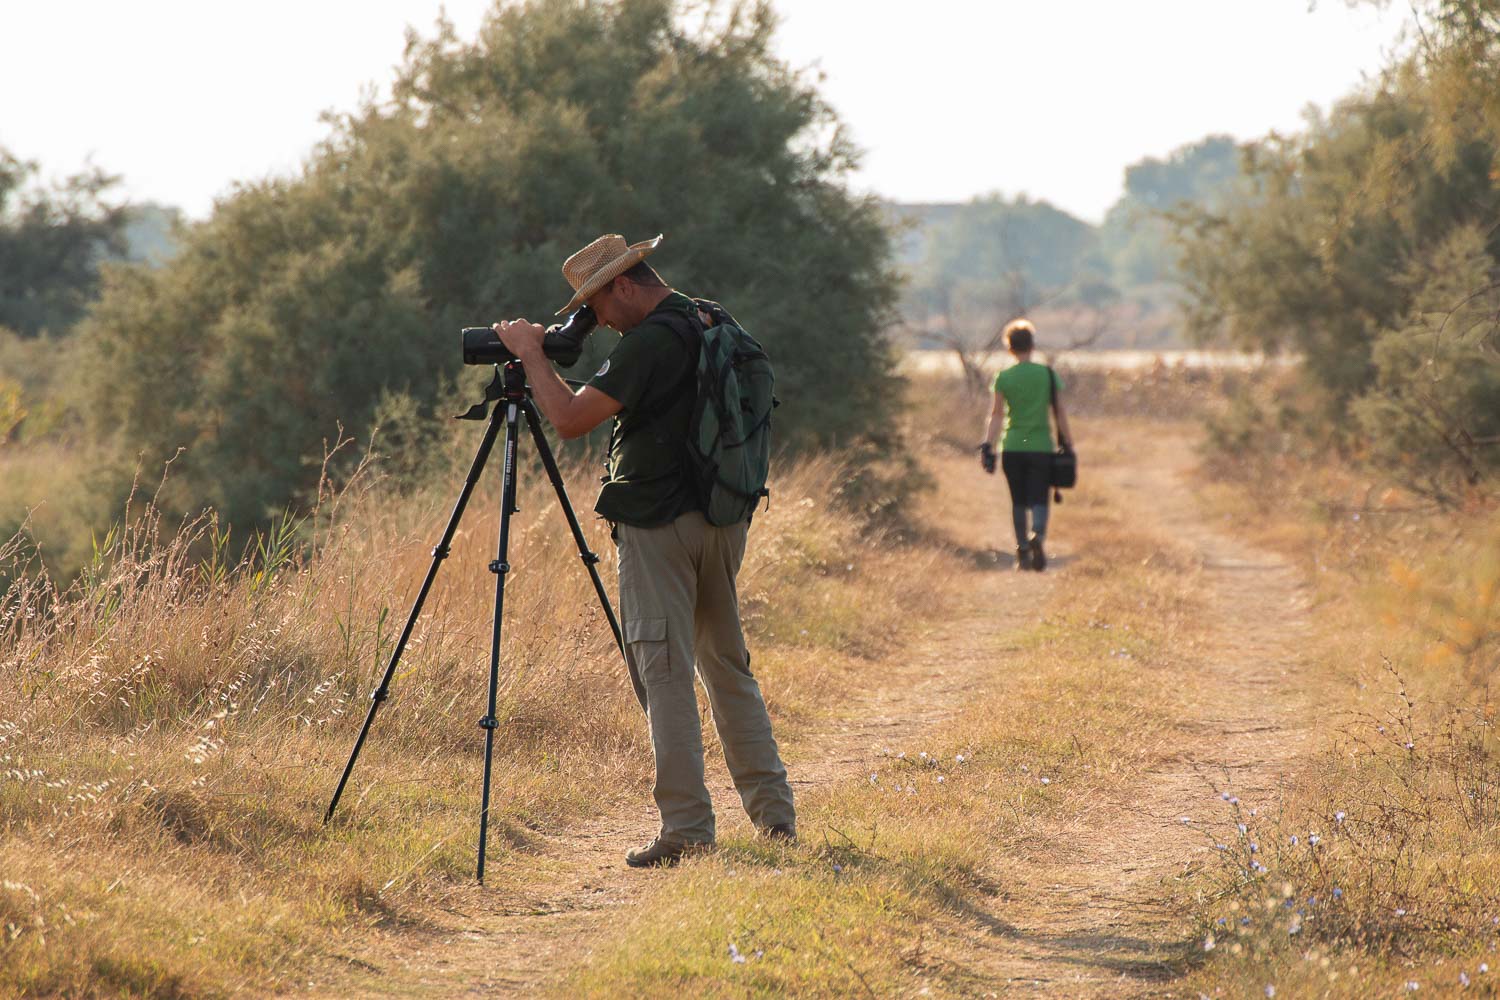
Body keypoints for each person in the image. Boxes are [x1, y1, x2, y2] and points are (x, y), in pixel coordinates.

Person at [492, 233, 796, 868]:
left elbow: (571, 418)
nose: (597, 320)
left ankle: (686, 828)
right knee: (726, 666)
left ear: (624, 284)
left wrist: (529, 354)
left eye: (597, 304)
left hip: (661, 526)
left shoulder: (652, 339)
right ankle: (775, 818)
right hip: (723, 518)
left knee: (664, 673)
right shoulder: (709, 316)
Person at [978, 318, 1073, 572]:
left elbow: (996, 414)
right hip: (1041, 446)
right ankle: (1038, 536)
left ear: (1010, 347)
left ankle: (1022, 551)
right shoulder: (1047, 375)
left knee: (1018, 499)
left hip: (1012, 447)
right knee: (1040, 496)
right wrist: (1069, 443)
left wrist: (988, 444)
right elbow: (1059, 411)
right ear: (1032, 345)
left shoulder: (1004, 377)